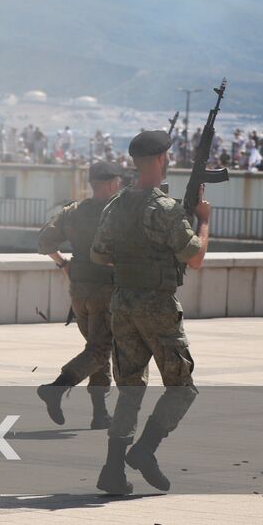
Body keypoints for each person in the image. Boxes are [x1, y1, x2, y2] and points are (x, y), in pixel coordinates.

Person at [91, 129, 209, 495]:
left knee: (129, 386)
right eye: (168, 156)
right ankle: (144, 450)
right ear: (160, 160)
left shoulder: (118, 203)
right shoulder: (165, 209)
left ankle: (112, 471)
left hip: (122, 302)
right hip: (156, 306)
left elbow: (98, 253)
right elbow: (196, 257)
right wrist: (204, 220)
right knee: (182, 387)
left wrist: (131, 263)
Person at [34, 161, 131, 429]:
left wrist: (62, 263)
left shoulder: (73, 211)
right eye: (119, 182)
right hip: (107, 290)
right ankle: (56, 387)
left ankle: (100, 415)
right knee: (101, 349)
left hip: (79, 290)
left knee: (96, 349)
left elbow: (44, 242)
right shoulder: (120, 212)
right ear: (112, 184)